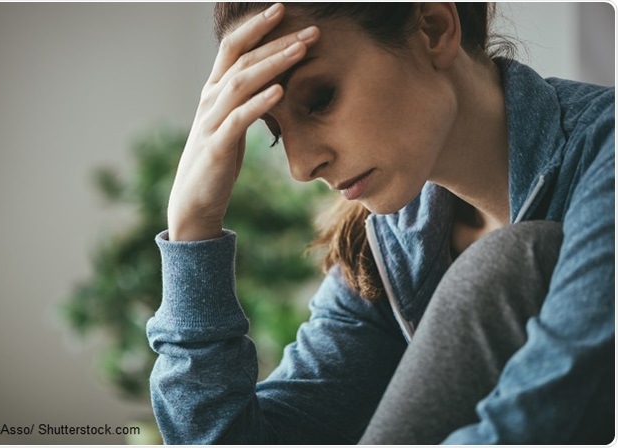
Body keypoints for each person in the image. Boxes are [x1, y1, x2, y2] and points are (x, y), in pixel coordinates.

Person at [146, 2, 614, 444]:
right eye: (275, 131)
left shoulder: (605, 153)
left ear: (434, 28)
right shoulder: (387, 249)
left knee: (508, 262)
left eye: (320, 99)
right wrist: (194, 228)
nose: (301, 166)